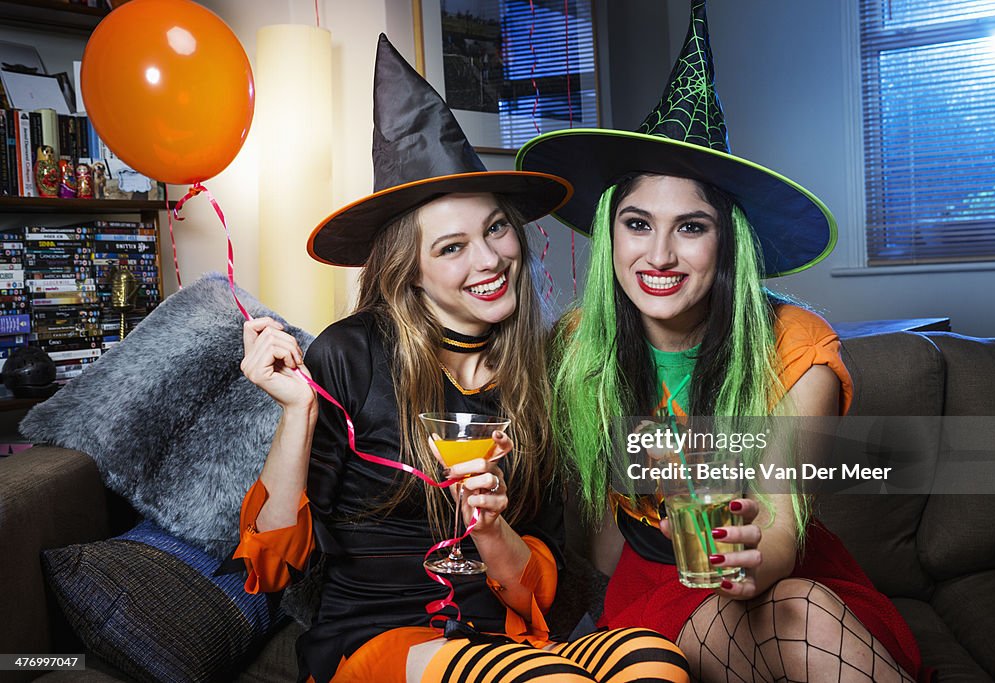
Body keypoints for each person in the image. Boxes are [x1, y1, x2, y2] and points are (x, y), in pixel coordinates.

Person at [232, 35, 690, 683]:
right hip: (377, 640)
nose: (489, 259)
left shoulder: (536, 369)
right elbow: (273, 568)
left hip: (502, 635)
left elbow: (538, 590)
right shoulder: (349, 353)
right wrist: (299, 413)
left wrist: (492, 524)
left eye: (495, 229)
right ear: (408, 268)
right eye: (452, 247)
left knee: (657, 664)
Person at [518, 2, 929, 682]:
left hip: (778, 572)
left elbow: (782, 533)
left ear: (727, 241)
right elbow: (596, 533)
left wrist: (747, 560)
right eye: (638, 223)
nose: (659, 255)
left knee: (796, 608)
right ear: (611, 233)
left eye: (691, 227)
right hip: (651, 586)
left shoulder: (799, 347)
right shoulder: (576, 346)